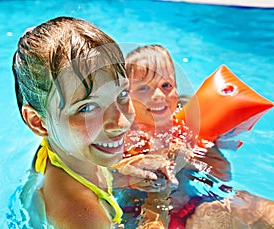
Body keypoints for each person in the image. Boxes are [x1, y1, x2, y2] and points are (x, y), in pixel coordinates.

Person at [116, 45, 274, 228]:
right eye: (144, 88)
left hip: (198, 199)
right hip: (144, 211)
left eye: (166, 85)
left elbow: (224, 174)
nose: (159, 96)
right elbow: (113, 173)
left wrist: (204, 152)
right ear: (127, 97)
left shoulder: (185, 127)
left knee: (265, 212)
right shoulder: (127, 135)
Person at [12, 16, 146, 229]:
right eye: (87, 108)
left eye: (122, 93)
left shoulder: (59, 147)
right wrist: (159, 205)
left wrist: (125, 169)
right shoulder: (84, 219)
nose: (120, 122)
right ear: (38, 122)